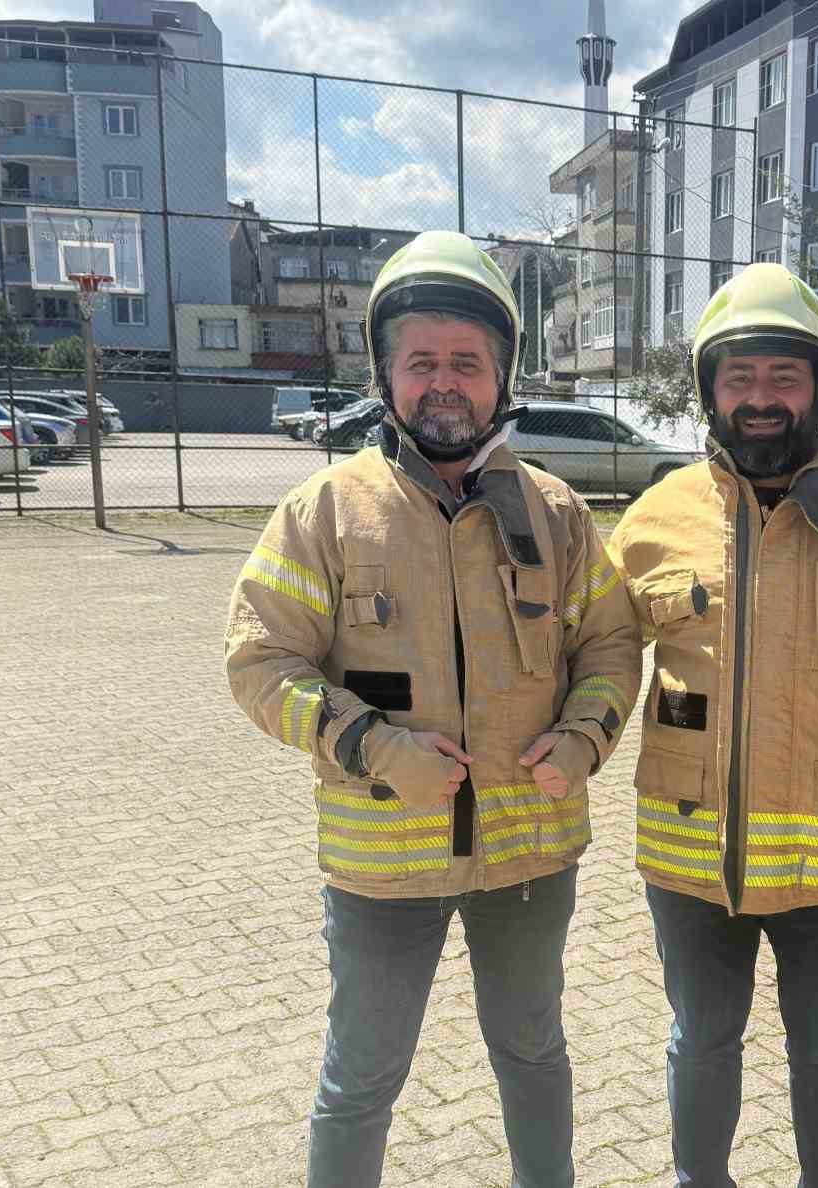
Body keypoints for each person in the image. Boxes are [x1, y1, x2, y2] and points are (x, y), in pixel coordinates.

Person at [224, 231, 642, 1188]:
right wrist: (371, 747)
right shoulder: (324, 512)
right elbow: (258, 661)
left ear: (502, 377)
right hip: (383, 860)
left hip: (530, 851)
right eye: (422, 362)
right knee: (362, 1077)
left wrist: (585, 737)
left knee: (534, 1054)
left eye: (467, 361)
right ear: (384, 374)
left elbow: (613, 645)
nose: (444, 383)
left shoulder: (558, 513)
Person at [606, 263, 818, 1188]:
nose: (761, 399)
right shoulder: (655, 518)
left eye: (785, 376)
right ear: (708, 390)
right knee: (701, 1040)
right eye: (738, 378)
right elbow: (601, 660)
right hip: (692, 852)